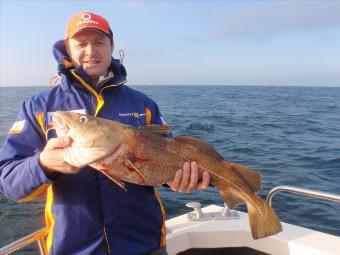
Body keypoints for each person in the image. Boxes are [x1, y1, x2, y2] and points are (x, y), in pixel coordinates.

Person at [0, 12, 210, 255]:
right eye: (81, 44)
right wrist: (43, 164)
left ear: (112, 47)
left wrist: (178, 179)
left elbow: (165, 159)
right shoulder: (38, 107)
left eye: (99, 42)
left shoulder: (144, 104)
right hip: (74, 249)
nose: (91, 51)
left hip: (144, 245)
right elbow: (8, 182)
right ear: (68, 49)